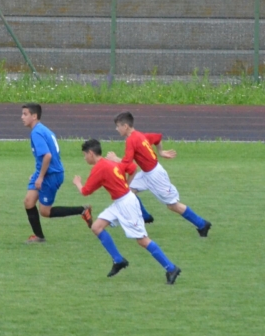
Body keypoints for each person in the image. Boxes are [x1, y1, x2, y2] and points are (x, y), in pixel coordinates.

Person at [73, 139, 181, 284]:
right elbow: (132, 168)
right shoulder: (110, 162)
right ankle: (118, 260)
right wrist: (126, 186)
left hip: (127, 204)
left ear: (91, 153)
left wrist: (78, 183)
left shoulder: (99, 168)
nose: (85, 158)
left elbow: (85, 192)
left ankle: (171, 268)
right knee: (96, 227)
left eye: (84, 155)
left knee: (142, 240)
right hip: (120, 202)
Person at [106, 111, 212, 237]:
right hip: (147, 174)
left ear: (126, 126)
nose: (116, 129)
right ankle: (144, 216)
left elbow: (127, 164)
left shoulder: (131, 140)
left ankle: (202, 224)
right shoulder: (140, 135)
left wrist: (114, 159)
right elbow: (157, 137)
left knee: (173, 205)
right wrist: (161, 152)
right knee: (126, 190)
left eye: (118, 126)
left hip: (155, 176)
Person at [21, 103, 93, 244]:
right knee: (29, 202)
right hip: (46, 172)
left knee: (45, 212)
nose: (22, 117)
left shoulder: (36, 132)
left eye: (25, 114)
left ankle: (82, 210)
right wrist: (37, 173)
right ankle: (39, 237)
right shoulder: (43, 130)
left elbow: (48, 156)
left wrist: (40, 177)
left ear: (34, 116)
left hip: (51, 175)